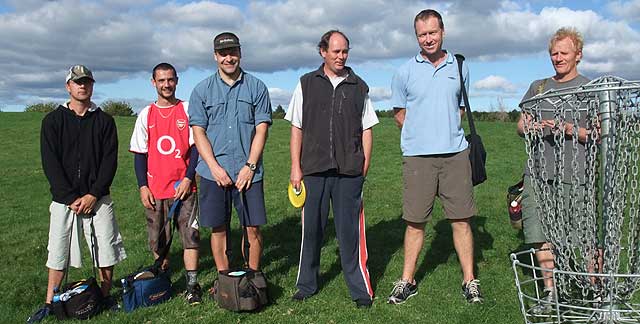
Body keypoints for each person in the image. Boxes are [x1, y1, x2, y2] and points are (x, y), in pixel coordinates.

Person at [387, 9, 483, 304]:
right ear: (416, 37)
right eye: (422, 34)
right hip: (418, 157)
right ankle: (407, 281)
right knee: (415, 221)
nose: (428, 39)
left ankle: (469, 281)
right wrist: (424, 131)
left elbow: (460, 107)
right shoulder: (404, 71)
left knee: (461, 220)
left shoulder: (460, 65)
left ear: (443, 32)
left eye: (432, 32)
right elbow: (399, 114)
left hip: (455, 154)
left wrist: (445, 129)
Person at [286, 30, 379, 308]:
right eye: (336, 51)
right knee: (311, 231)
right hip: (312, 171)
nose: (341, 56)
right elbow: (296, 127)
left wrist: (364, 166)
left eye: (345, 51)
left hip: (348, 173)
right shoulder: (305, 83)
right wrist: (295, 168)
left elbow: (367, 129)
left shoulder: (359, 86)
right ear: (323, 52)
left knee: (350, 234)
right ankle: (306, 285)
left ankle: (360, 289)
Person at [27, 65, 127, 323]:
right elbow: (51, 163)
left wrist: (94, 194)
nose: (83, 86)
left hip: (98, 197)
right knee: (57, 249)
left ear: (92, 86)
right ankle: (51, 302)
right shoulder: (52, 121)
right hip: (64, 200)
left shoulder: (105, 121)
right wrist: (71, 197)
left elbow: (109, 162)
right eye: (77, 82)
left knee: (106, 247)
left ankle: (104, 297)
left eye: (87, 82)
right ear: (68, 86)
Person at [516, 27, 590, 314]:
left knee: (583, 238)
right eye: (554, 53)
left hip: (576, 173)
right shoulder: (538, 87)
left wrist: (570, 129)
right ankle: (551, 294)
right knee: (540, 235)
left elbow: (598, 133)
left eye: (564, 53)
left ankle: (592, 294)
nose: (558, 58)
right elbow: (521, 124)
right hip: (537, 172)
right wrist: (532, 127)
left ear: (578, 55)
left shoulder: (589, 89)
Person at [189, 32, 272, 280]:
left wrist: (250, 165)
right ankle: (225, 278)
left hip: (249, 172)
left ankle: (254, 276)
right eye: (223, 53)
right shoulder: (202, 90)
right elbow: (198, 132)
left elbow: (262, 129)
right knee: (218, 229)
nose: (229, 58)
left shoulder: (256, 87)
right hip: (213, 173)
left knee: (253, 228)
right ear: (215, 56)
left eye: (233, 52)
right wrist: (214, 168)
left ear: (240, 53)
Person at [129, 63, 202, 305]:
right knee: (158, 239)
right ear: (153, 83)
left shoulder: (187, 110)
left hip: (184, 188)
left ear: (177, 81)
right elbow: (140, 154)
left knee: (190, 235)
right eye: (161, 80)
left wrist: (189, 177)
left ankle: (192, 284)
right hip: (155, 189)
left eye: (170, 80)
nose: (166, 85)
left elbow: (196, 149)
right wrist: (142, 186)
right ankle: (164, 279)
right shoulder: (146, 114)